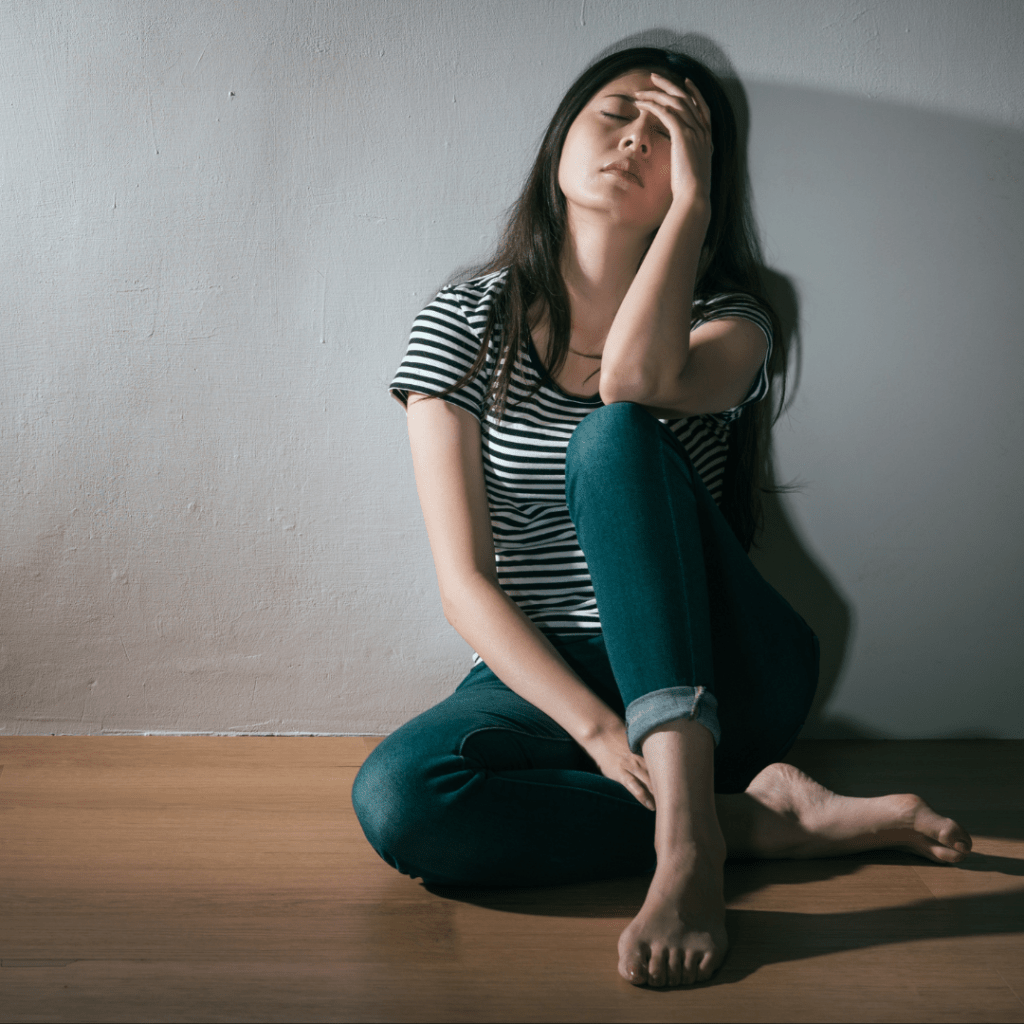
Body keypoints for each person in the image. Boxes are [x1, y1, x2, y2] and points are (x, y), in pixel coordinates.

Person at [352, 46, 972, 989]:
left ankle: (687, 848)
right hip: (549, 667)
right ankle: (758, 824)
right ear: (561, 137)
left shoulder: (736, 319)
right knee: (403, 800)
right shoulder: (466, 321)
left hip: (728, 667)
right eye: (615, 113)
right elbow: (464, 583)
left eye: (674, 133)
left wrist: (690, 210)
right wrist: (599, 732)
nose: (638, 136)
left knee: (613, 440)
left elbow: (634, 386)